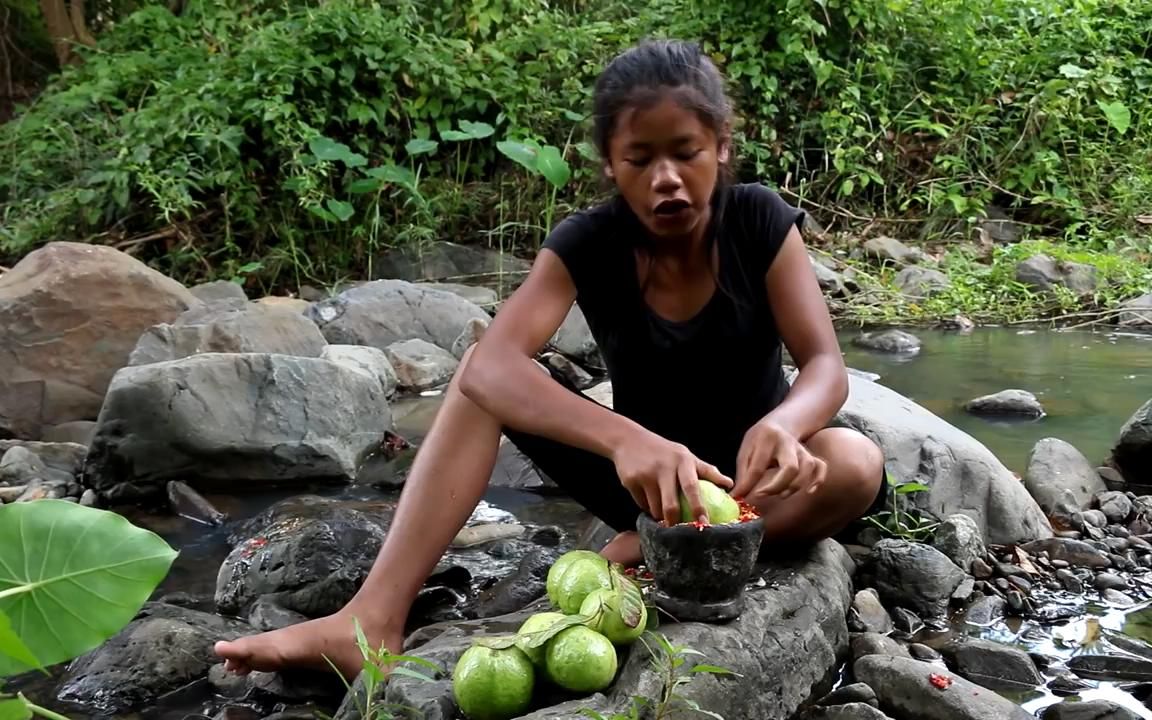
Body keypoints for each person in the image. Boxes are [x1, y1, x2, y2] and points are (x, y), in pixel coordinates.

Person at [214, 38, 886, 680]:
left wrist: (786, 424)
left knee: (856, 464)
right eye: (639, 159)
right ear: (608, 164)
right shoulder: (589, 242)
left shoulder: (759, 221)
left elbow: (825, 363)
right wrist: (626, 439)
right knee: (482, 384)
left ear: (722, 147)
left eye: (687, 153)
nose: (667, 180)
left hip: (753, 489)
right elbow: (489, 366)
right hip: (643, 490)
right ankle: (369, 620)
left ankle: (669, 558)